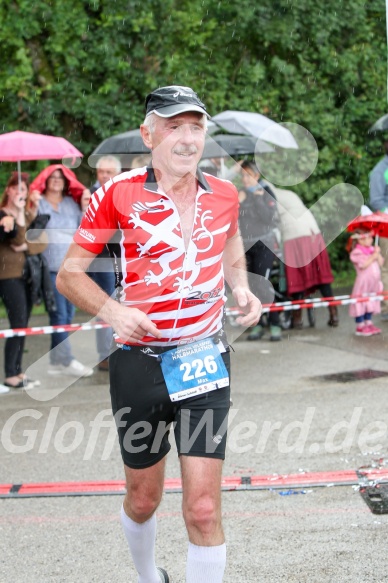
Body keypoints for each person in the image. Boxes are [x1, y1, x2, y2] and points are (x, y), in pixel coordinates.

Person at [57, 85, 261, 583]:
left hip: (203, 359)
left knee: (204, 509)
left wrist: (240, 286)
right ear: (149, 134)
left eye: (195, 126)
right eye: (174, 126)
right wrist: (113, 311)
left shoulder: (225, 193)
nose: (187, 138)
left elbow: (230, 240)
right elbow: (68, 275)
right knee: (144, 499)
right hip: (139, 362)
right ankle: (151, 577)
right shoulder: (117, 193)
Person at [30, 164, 93, 377]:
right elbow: (31, 231)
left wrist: (85, 207)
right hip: (48, 268)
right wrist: (31, 208)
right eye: (52, 177)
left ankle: (56, 361)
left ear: (66, 182)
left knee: (68, 314)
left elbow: (83, 228)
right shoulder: (39, 204)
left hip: (70, 269)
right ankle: (66, 361)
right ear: (46, 181)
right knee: (59, 314)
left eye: (60, 177)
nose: (56, 180)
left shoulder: (70, 204)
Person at [0, 172, 46, 391]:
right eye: (16, 188)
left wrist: (27, 246)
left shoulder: (26, 214)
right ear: (8, 190)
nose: (21, 192)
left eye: (24, 189)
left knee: (23, 323)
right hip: (8, 277)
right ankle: (10, 373)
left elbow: (41, 241)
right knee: (17, 323)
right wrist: (18, 214)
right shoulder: (4, 215)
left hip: (27, 275)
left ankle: (17, 370)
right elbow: (18, 238)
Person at [272, 186, 338, 328]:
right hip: (313, 233)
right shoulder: (288, 194)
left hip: (294, 237)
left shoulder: (268, 195)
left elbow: (272, 223)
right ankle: (334, 314)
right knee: (321, 276)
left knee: (297, 277)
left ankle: (297, 319)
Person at [238, 160, 282, 341]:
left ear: (256, 175)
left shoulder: (266, 192)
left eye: (248, 175)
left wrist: (257, 199)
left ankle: (275, 322)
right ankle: (259, 324)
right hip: (245, 246)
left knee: (263, 283)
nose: (245, 179)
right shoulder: (240, 194)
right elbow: (234, 220)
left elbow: (269, 218)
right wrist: (237, 204)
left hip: (264, 244)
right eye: (242, 175)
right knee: (252, 286)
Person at [88, 155, 122, 371]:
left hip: (123, 258)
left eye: (109, 172)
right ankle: (105, 355)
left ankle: (120, 349)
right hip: (101, 260)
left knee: (123, 302)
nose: (104, 176)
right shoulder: (91, 196)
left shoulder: (123, 193)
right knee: (106, 305)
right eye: (101, 172)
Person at [347, 229, 384, 336]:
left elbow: (381, 263)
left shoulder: (373, 249)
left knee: (371, 302)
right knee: (361, 302)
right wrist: (373, 255)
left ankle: (368, 322)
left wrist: (378, 253)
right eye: (369, 237)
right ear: (361, 240)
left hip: (373, 283)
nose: (371, 239)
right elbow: (363, 265)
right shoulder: (356, 252)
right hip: (364, 283)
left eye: (372, 237)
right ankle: (360, 325)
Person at [369, 140, 388, 320]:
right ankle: (387, 307)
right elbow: (376, 201)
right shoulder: (380, 171)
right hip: (386, 227)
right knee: (386, 268)